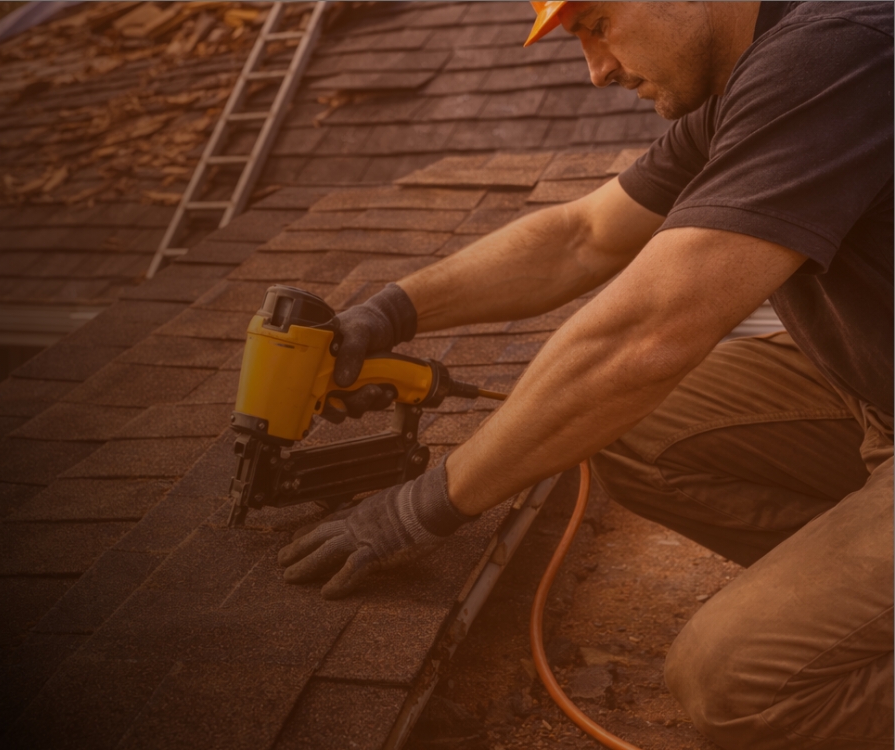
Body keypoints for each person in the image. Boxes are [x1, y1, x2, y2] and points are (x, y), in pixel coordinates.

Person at [278, 3, 893, 747]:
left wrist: (417, 510)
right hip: (872, 397)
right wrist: (385, 314)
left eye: (596, 23)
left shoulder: (841, 52)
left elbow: (647, 335)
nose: (597, 70)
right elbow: (581, 237)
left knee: (734, 682)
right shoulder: (756, 80)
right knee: (639, 434)